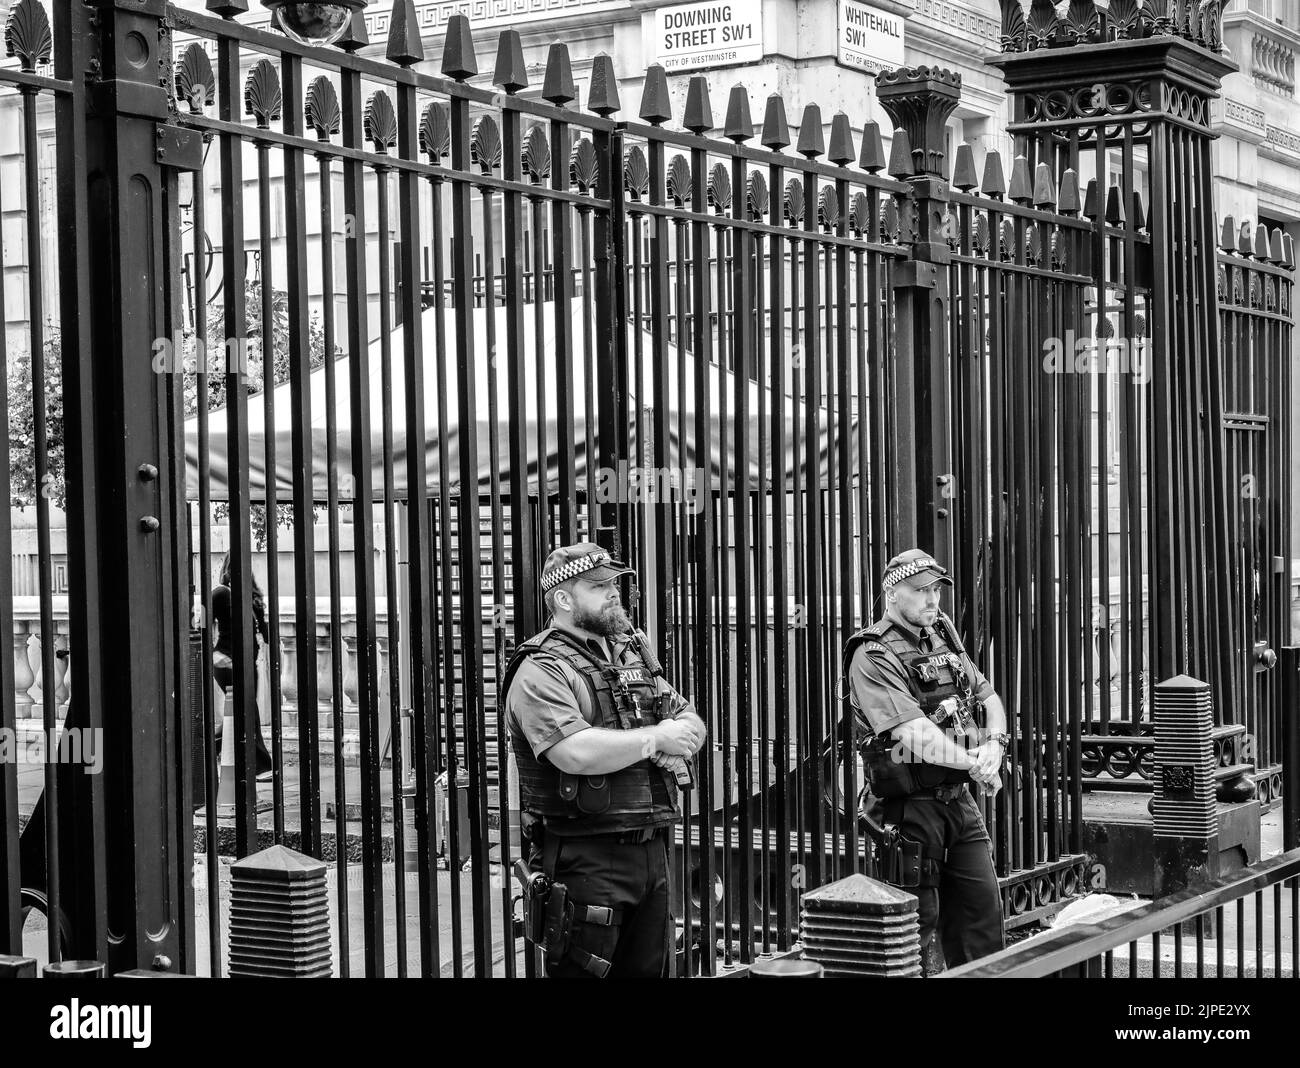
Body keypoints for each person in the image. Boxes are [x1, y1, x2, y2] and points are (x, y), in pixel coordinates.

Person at [502, 542, 707, 978]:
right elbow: (573, 752)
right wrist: (656, 738)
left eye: (614, 583)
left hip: (651, 850)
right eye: (598, 586)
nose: (614, 592)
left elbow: (689, 719)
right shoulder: (541, 667)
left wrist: (675, 736)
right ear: (563, 599)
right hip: (585, 856)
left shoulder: (631, 654)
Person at [842, 548, 1009, 975]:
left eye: (937, 589)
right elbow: (913, 735)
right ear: (892, 593)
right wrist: (976, 764)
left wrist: (995, 744)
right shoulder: (872, 653)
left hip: (958, 802)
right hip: (909, 811)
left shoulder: (942, 637)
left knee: (983, 925)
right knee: (912, 935)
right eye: (921, 591)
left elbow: (988, 698)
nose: (933, 600)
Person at [210, 551, 274, 778]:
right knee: (247, 711)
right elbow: (200, 624)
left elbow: (265, 634)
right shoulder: (220, 594)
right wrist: (212, 653)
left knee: (243, 713)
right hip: (226, 661)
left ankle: (204, 748)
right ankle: (261, 766)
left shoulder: (251, 598)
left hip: (249, 664)